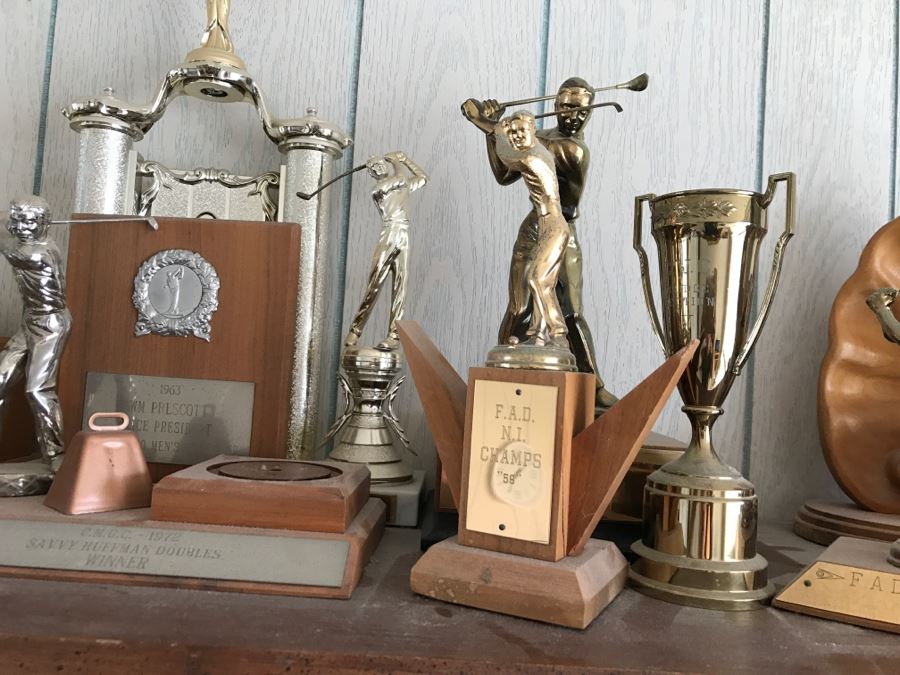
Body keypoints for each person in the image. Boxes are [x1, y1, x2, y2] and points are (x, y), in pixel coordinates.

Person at [462, 78, 617, 409]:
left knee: (570, 309)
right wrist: (494, 134)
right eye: (564, 105)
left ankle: (594, 385)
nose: (571, 114)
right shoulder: (536, 138)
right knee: (519, 304)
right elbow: (504, 174)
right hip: (533, 227)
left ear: (589, 112)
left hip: (562, 229)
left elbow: (529, 150)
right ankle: (505, 369)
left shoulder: (574, 150)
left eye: (580, 109)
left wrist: (491, 126)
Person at [0, 196, 72, 469]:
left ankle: (55, 456)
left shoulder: (38, 253)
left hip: (51, 325)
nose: (21, 227)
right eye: (16, 220)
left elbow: (6, 243)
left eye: (29, 221)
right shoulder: (17, 234)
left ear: (44, 224)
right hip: (29, 320)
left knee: (37, 390)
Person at [344, 152, 428, 351]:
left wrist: (407, 159)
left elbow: (423, 178)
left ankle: (393, 335)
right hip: (389, 234)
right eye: (373, 168)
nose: (377, 168)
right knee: (375, 284)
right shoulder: (379, 189)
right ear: (372, 175)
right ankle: (355, 331)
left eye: (379, 164)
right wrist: (396, 160)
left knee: (401, 285)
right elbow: (400, 178)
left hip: (404, 235)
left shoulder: (403, 186)